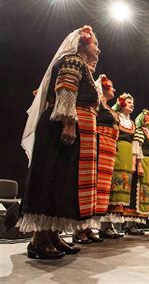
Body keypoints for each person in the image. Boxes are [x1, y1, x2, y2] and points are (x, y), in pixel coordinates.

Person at [19, 26, 100, 259]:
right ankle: (38, 240)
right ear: (83, 44)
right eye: (95, 44)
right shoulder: (72, 60)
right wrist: (68, 122)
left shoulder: (81, 64)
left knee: (62, 181)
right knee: (51, 178)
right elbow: (66, 90)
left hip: (68, 129)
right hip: (59, 128)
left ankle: (52, 236)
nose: (99, 49)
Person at [74, 74, 118, 243]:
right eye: (111, 86)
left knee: (100, 190)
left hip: (108, 148)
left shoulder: (107, 106)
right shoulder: (98, 103)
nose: (113, 89)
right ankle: (80, 229)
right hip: (99, 144)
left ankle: (90, 227)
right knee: (90, 184)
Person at [100, 93, 135, 238]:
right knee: (112, 187)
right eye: (128, 102)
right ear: (121, 103)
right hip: (117, 151)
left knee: (122, 189)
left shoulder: (131, 122)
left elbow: (134, 144)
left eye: (133, 102)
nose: (132, 104)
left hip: (127, 155)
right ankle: (104, 225)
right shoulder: (116, 116)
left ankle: (112, 225)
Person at [122, 109, 149, 234]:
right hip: (142, 162)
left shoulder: (148, 133)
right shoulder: (140, 131)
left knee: (143, 192)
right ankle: (130, 224)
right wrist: (139, 165)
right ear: (145, 120)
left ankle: (134, 223)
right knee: (136, 191)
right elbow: (137, 147)